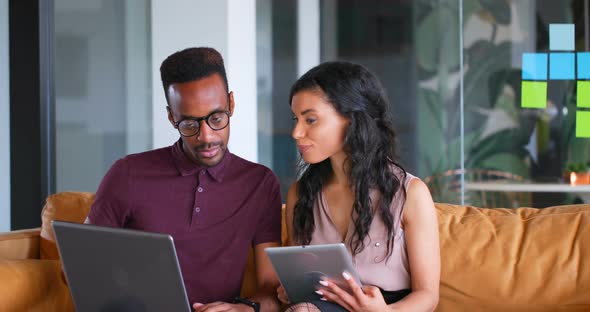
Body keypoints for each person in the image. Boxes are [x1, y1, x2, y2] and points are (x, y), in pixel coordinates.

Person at [86, 47, 282, 312]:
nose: (206, 137)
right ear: (171, 117)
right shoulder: (128, 174)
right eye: (189, 124)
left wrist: (244, 309)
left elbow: (272, 292)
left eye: (216, 118)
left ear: (231, 104)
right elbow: (79, 266)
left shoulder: (260, 184)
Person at [278, 61, 440, 311]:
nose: (296, 132)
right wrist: (291, 291)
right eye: (296, 119)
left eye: (310, 119)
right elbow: (298, 279)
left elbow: (428, 296)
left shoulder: (411, 194)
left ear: (352, 119)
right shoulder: (300, 194)